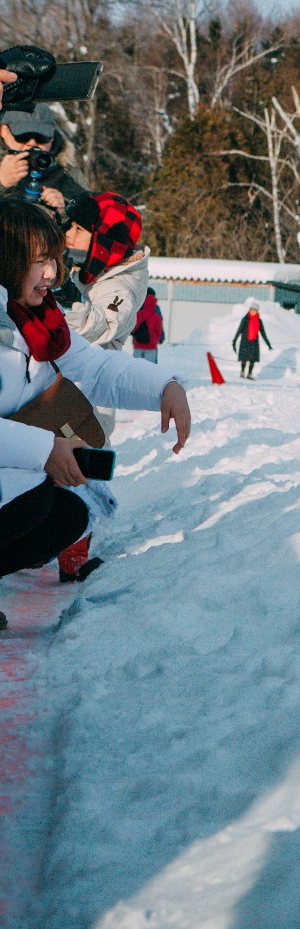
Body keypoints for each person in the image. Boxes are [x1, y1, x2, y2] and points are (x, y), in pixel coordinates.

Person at [0, 199, 192, 623]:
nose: (53, 274)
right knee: (32, 500)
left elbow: (96, 366)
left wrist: (164, 387)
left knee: (67, 515)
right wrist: (43, 448)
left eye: (56, 260)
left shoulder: (38, 321)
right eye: (39, 261)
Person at [56, 192, 149, 351]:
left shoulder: (120, 288)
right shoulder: (82, 269)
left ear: (103, 242)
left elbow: (104, 326)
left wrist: (70, 303)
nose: (69, 233)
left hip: (89, 372)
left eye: (79, 229)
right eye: (70, 225)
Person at [0, 102, 90, 211]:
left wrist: (65, 211)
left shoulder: (68, 175)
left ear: (51, 137)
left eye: (40, 137)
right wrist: (2, 183)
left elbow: (92, 221)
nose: (32, 143)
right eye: (23, 136)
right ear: (4, 131)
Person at [233, 301, 272, 380]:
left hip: (254, 342)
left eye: (255, 310)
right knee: (244, 358)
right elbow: (239, 330)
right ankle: (242, 371)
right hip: (245, 341)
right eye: (252, 309)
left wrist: (268, 344)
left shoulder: (259, 321)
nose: (253, 311)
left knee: (252, 359)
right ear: (249, 310)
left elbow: (263, 333)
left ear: (257, 311)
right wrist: (234, 341)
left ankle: (249, 374)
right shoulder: (245, 319)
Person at [131, 288, 164, 362]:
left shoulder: (138, 311)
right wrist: (159, 338)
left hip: (138, 344)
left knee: (136, 368)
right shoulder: (156, 312)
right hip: (151, 346)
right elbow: (159, 329)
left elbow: (132, 328)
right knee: (150, 369)